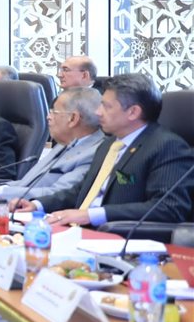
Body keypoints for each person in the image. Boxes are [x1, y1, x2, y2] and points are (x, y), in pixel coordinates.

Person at [31, 73, 194, 227]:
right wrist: (37, 204)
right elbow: (83, 190)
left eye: (106, 106)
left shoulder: (167, 147)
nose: (98, 112)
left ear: (133, 112)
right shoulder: (109, 144)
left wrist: (92, 215)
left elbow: (168, 208)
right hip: (79, 230)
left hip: (121, 235)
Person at [0, 87, 105, 204]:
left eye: (54, 112)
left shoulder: (95, 152)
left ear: (73, 118)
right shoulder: (65, 144)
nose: (48, 117)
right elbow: (26, 183)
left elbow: (58, 194)